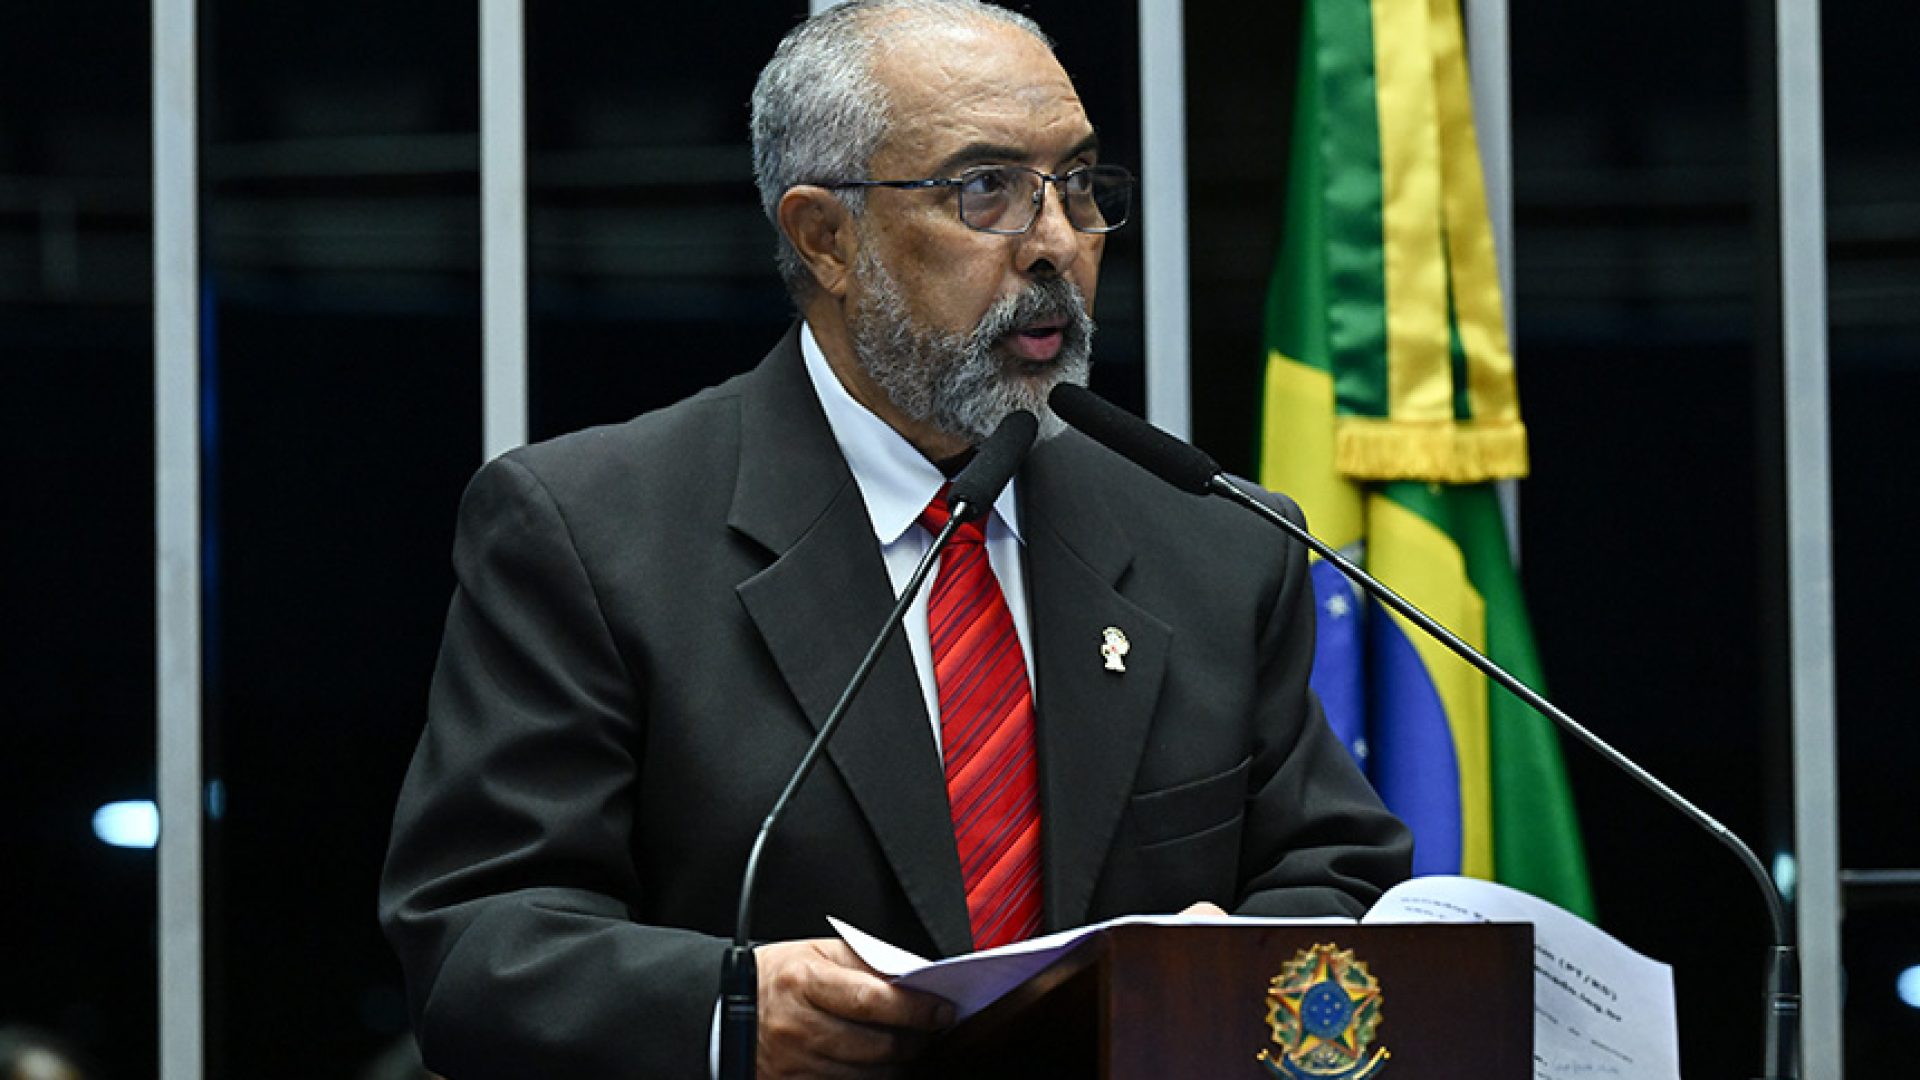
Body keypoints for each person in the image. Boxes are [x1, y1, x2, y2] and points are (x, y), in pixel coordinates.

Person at [379, 2, 1412, 1077]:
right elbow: (477, 946)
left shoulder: (1213, 539)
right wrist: (727, 1009)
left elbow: (1333, 868)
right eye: (986, 191)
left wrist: (1212, 978)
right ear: (825, 236)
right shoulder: (592, 531)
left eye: (1077, 184)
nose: (1056, 242)